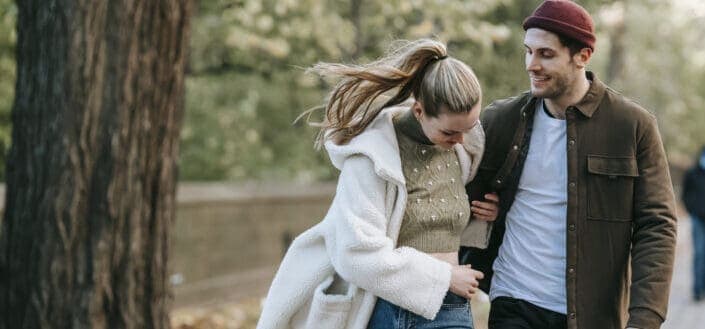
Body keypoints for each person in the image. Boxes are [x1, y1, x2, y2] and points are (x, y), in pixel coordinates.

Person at [459, 1, 678, 329]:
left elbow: (657, 226)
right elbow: (452, 188)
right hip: (513, 299)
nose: (532, 65)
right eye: (528, 51)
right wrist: (486, 211)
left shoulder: (632, 126)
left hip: (592, 314)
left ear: (583, 56)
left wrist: (645, 317)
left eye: (546, 54)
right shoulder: (500, 120)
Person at [256, 39, 499, 329]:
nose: (460, 140)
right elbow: (356, 253)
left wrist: (484, 214)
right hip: (396, 311)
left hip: (454, 303)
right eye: (450, 131)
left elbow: (439, 215)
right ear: (419, 111)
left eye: (468, 129)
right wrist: (443, 276)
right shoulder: (372, 157)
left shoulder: (461, 150)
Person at [681, 146, 705, 302]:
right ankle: (697, 289)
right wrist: (692, 210)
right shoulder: (692, 173)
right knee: (699, 253)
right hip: (697, 218)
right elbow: (685, 195)